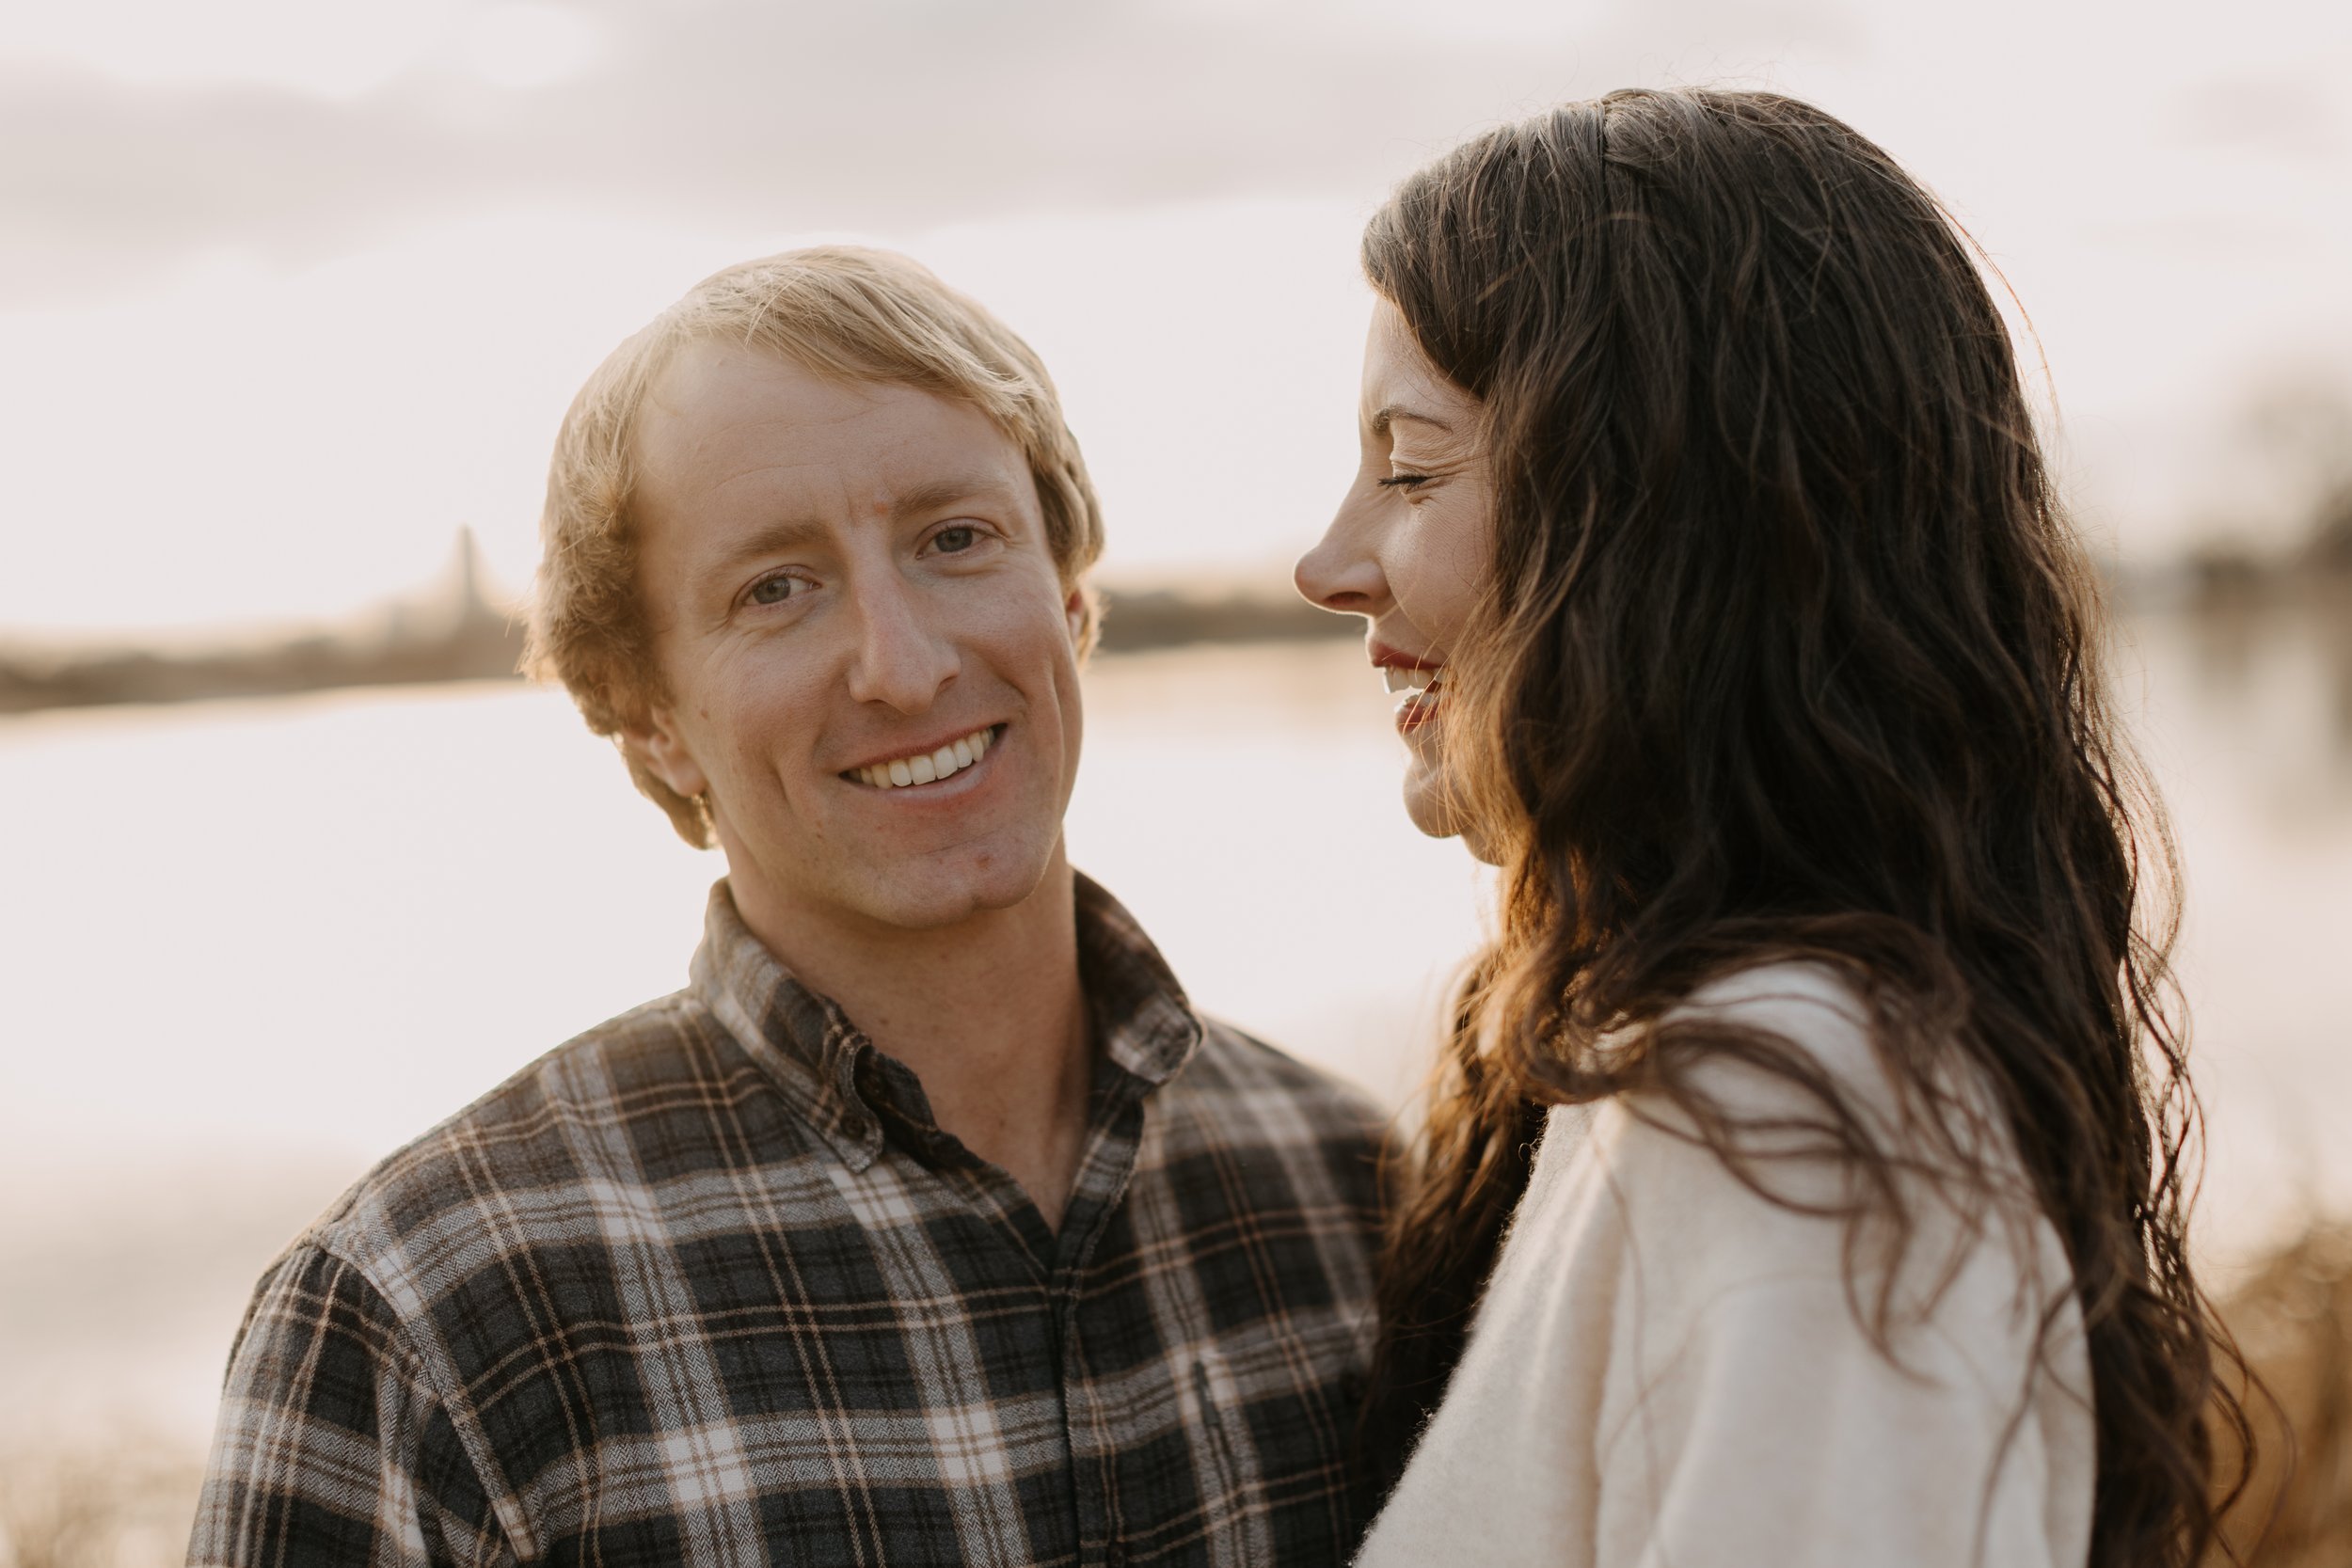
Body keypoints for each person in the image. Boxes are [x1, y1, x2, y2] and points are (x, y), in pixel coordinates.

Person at [189, 246, 1384, 1567]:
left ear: (1072, 601)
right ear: (651, 725)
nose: (903, 663)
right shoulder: (427, 1319)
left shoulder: (1350, 1193)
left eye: (956, 539)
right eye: (776, 589)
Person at [1295, 90, 2248, 1567]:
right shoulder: (1701, 1062)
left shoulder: (1791, 1116)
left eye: (1411, 470)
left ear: (1656, 520)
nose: (1329, 560)